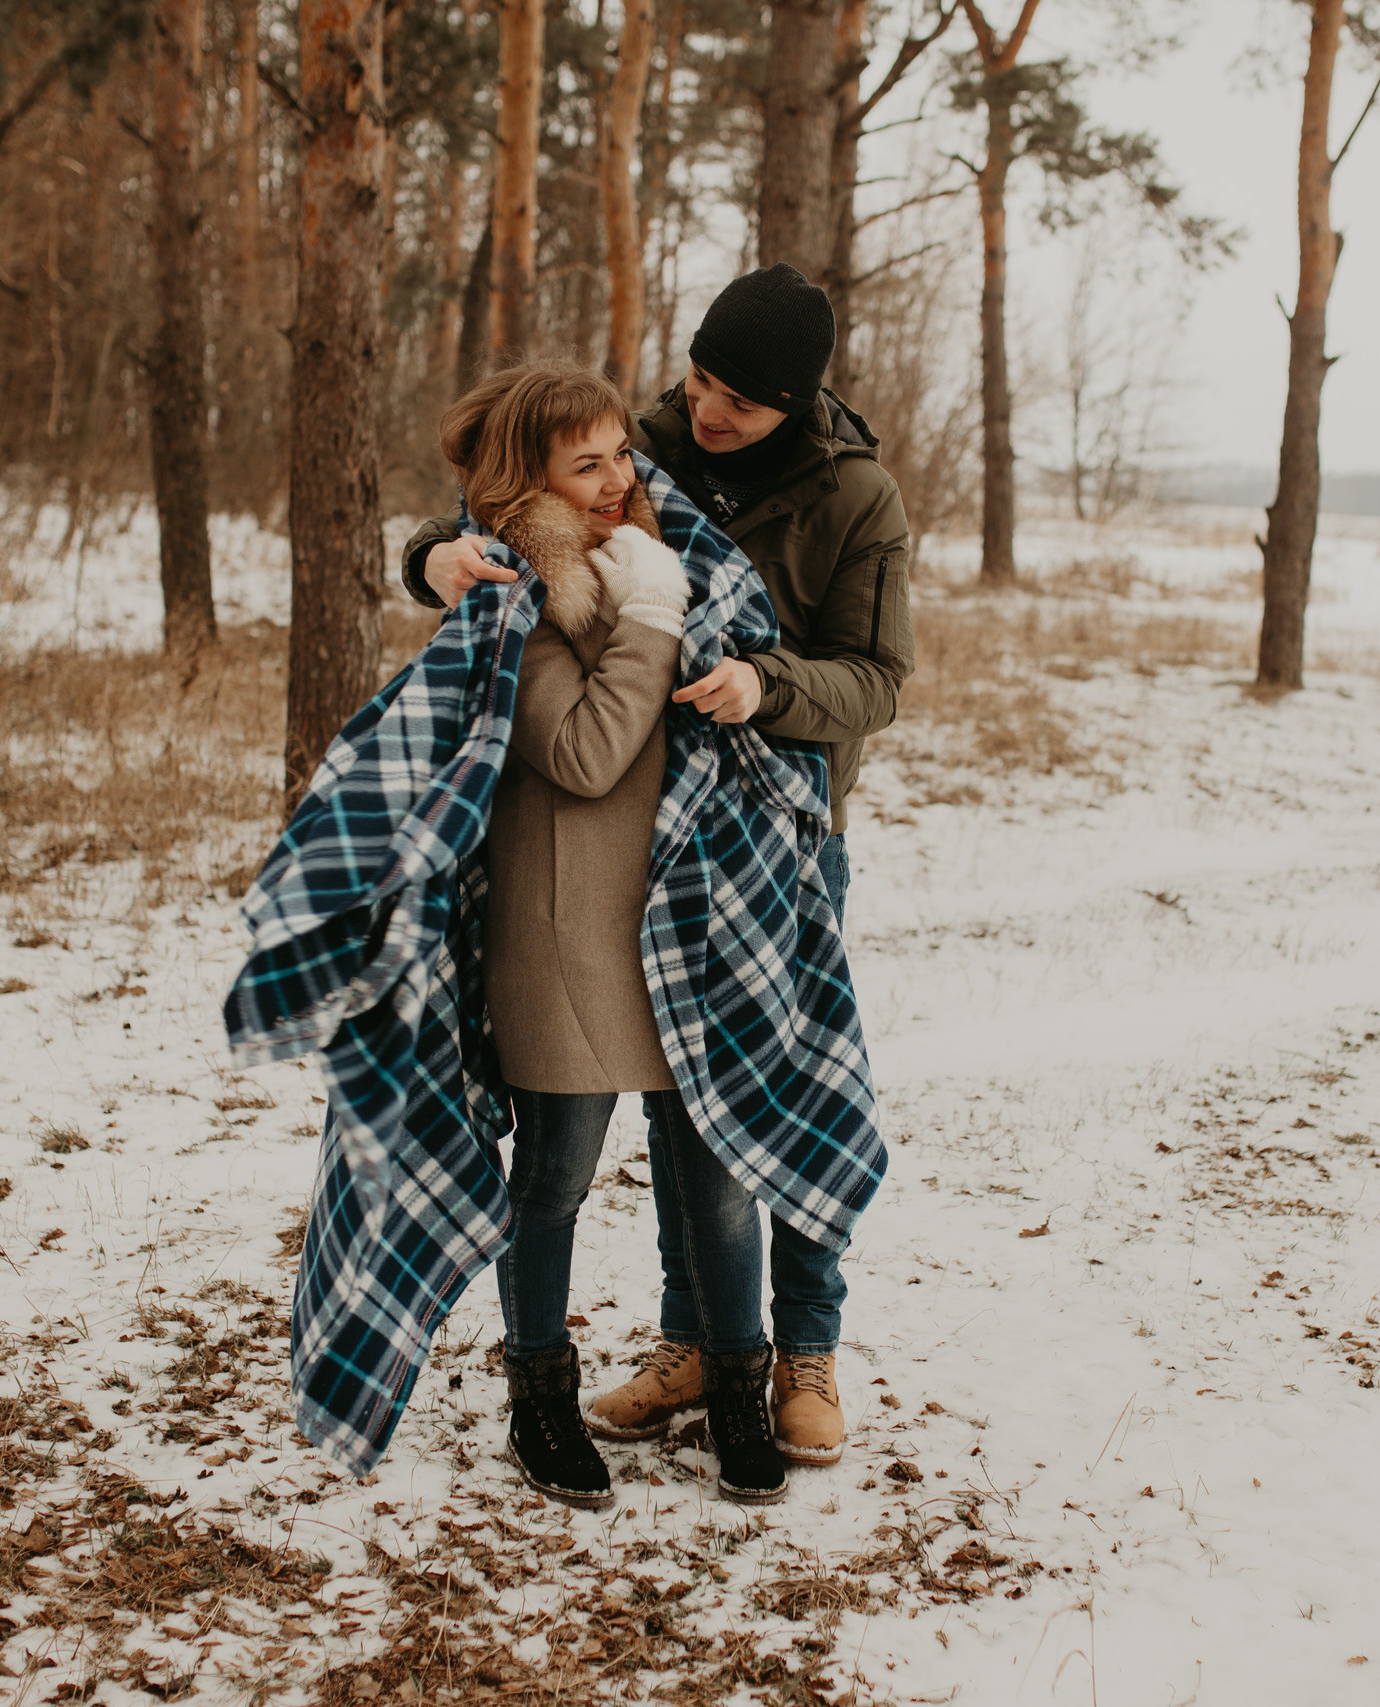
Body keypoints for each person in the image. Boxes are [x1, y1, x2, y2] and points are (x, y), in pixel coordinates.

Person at [399, 264, 913, 1470]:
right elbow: (497, 503)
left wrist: (765, 684)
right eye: (700, 380)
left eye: (742, 399)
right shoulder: (640, 448)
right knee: (684, 1127)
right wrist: (430, 562)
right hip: (620, 846)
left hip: (776, 838)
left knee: (780, 1098)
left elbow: (876, 680)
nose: (709, 411)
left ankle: (805, 1352)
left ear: (797, 401)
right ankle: (695, 1347)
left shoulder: (854, 496)